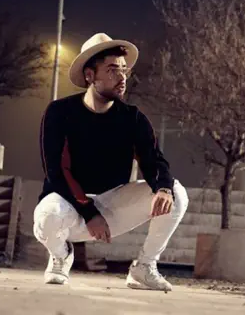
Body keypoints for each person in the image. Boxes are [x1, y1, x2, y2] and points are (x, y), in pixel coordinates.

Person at [33, 33, 189, 292]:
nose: (122, 77)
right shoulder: (60, 112)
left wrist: (162, 187)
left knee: (176, 193)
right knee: (46, 217)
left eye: (124, 70)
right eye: (112, 69)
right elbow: (56, 171)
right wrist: (89, 213)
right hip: (69, 205)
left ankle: (144, 267)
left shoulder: (132, 118)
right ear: (90, 75)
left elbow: (154, 161)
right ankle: (61, 255)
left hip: (112, 204)